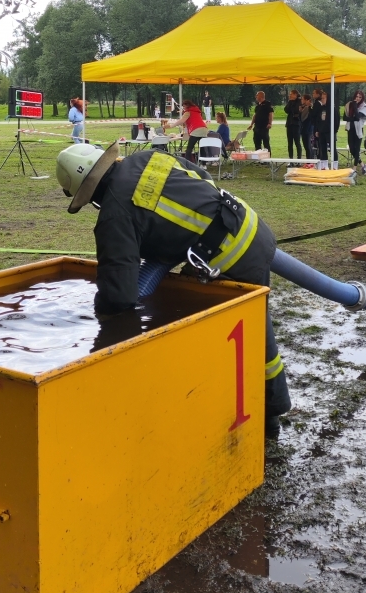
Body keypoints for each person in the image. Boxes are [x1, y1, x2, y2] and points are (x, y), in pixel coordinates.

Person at [56, 144, 291, 426]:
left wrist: (98, 321)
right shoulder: (146, 158)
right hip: (246, 222)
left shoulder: (114, 215)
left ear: (88, 194)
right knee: (249, 330)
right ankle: (265, 407)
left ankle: (270, 412)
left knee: (249, 337)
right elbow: (201, 178)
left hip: (231, 257)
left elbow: (119, 294)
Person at [344, 90, 366, 175]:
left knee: (357, 149)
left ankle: (354, 168)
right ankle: (363, 165)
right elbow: (345, 117)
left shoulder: (363, 106)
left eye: (360, 97)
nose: (357, 98)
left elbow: (358, 117)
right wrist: (353, 118)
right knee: (351, 149)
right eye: (356, 96)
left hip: (358, 130)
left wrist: (355, 106)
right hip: (350, 128)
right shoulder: (349, 104)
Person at [316, 89, 340, 170]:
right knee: (322, 148)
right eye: (321, 98)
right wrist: (317, 130)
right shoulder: (321, 109)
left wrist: (334, 131)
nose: (322, 100)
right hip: (322, 132)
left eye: (323, 98)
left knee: (332, 149)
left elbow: (337, 121)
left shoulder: (333, 109)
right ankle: (324, 165)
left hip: (330, 132)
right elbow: (318, 120)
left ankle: (335, 166)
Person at [284, 89, 303, 161]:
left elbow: (296, 110)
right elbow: (286, 109)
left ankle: (299, 159)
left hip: (296, 124)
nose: (290, 95)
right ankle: (291, 159)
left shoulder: (299, 101)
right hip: (289, 124)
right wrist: (290, 102)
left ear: (295, 94)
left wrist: (293, 110)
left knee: (297, 142)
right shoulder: (290, 102)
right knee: (290, 143)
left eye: (291, 94)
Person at [299, 94, 315, 159]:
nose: (301, 101)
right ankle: (310, 159)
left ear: (306, 100)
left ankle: (309, 160)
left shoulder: (307, 108)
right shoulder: (307, 107)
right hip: (308, 128)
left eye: (302, 99)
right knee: (308, 145)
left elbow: (302, 118)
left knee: (307, 145)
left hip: (307, 129)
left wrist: (300, 112)